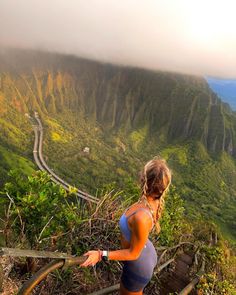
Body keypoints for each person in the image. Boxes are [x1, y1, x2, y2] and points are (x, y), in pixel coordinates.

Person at [80, 157, 171, 295]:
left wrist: (100, 255)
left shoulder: (141, 216)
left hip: (138, 265)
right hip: (146, 252)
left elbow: (133, 253)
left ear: (143, 179)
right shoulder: (153, 202)